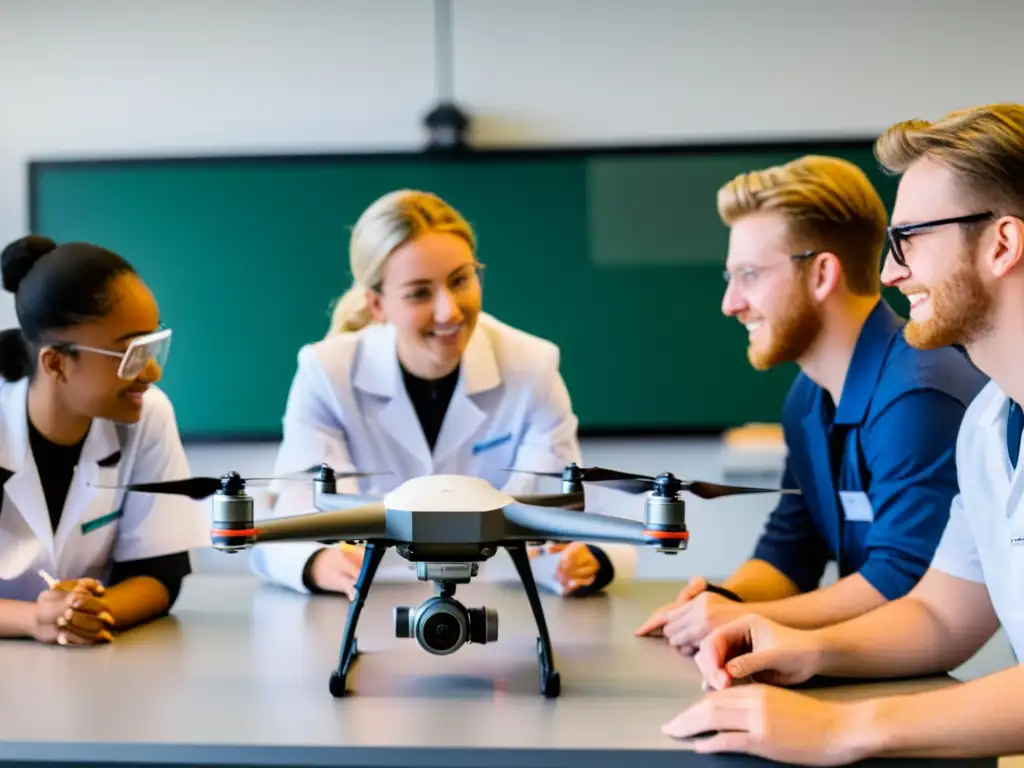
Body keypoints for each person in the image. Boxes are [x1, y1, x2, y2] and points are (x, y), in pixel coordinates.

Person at [659, 103, 1024, 764]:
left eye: (910, 239)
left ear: (1001, 244)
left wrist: (844, 729)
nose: (888, 274)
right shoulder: (987, 425)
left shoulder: (927, 392)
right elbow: (942, 614)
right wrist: (802, 647)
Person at [635, 155, 987, 652]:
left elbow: (899, 582)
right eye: (729, 278)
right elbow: (790, 546)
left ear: (822, 274)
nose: (730, 303)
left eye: (750, 275)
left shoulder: (917, 394)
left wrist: (742, 618)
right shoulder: (808, 398)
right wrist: (722, 600)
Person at [249, 189, 636, 598]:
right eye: (419, 292)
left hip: (502, 610)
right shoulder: (327, 373)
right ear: (377, 305)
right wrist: (317, 563)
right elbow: (289, 521)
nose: (448, 311)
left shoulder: (532, 366)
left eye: (460, 280)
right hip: (365, 604)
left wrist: (588, 557)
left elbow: (572, 514)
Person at [0, 235, 210, 647]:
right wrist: (33, 620)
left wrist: (92, 612)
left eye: (152, 346)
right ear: (56, 363)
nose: (151, 372)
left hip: (92, 668)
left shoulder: (148, 414)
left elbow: (159, 573)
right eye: (130, 353)